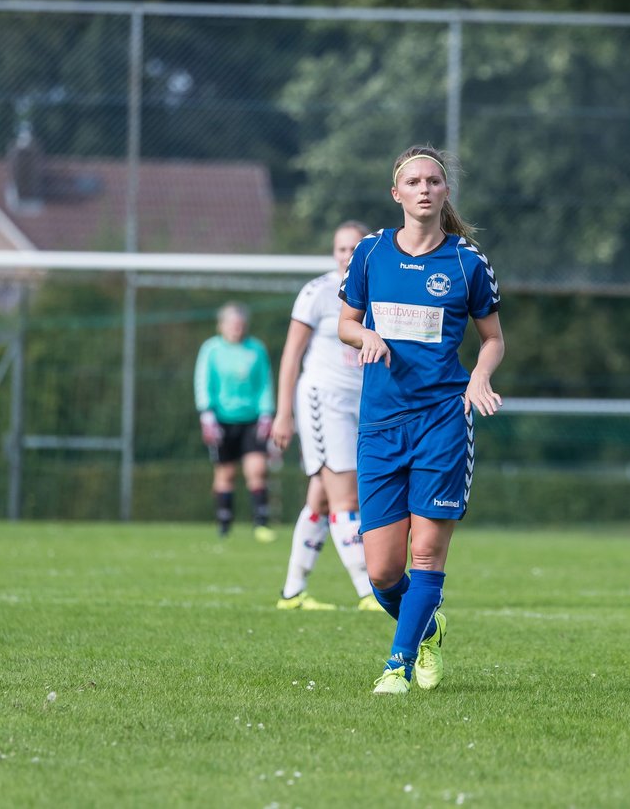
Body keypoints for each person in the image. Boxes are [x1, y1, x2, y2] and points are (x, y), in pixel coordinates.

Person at [338, 144, 504, 695]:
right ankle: (428, 627)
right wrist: (368, 336)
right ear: (397, 194)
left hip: (443, 420)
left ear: (445, 192)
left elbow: (493, 340)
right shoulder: (370, 253)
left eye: (434, 180)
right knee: (383, 573)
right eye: (414, 182)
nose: (425, 189)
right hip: (382, 425)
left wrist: (479, 376)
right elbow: (345, 324)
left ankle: (397, 666)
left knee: (427, 553)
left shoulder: (467, 262)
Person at [270, 220, 381, 612]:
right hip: (323, 401)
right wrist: (284, 413)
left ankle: (292, 592)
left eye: (354, 248)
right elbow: (291, 356)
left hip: (359, 406)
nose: (347, 255)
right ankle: (369, 592)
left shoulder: (377, 292)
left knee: (319, 498)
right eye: (340, 249)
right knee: (346, 496)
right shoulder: (317, 293)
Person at [193, 301, 277, 543]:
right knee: (226, 473)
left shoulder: (256, 349)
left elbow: (264, 383)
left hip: (252, 419)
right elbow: (203, 380)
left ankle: (261, 523)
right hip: (221, 419)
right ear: (221, 326)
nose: (236, 329)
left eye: (240, 325)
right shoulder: (211, 349)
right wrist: (206, 412)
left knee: (257, 469)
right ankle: (224, 525)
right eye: (231, 324)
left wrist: (266, 413)